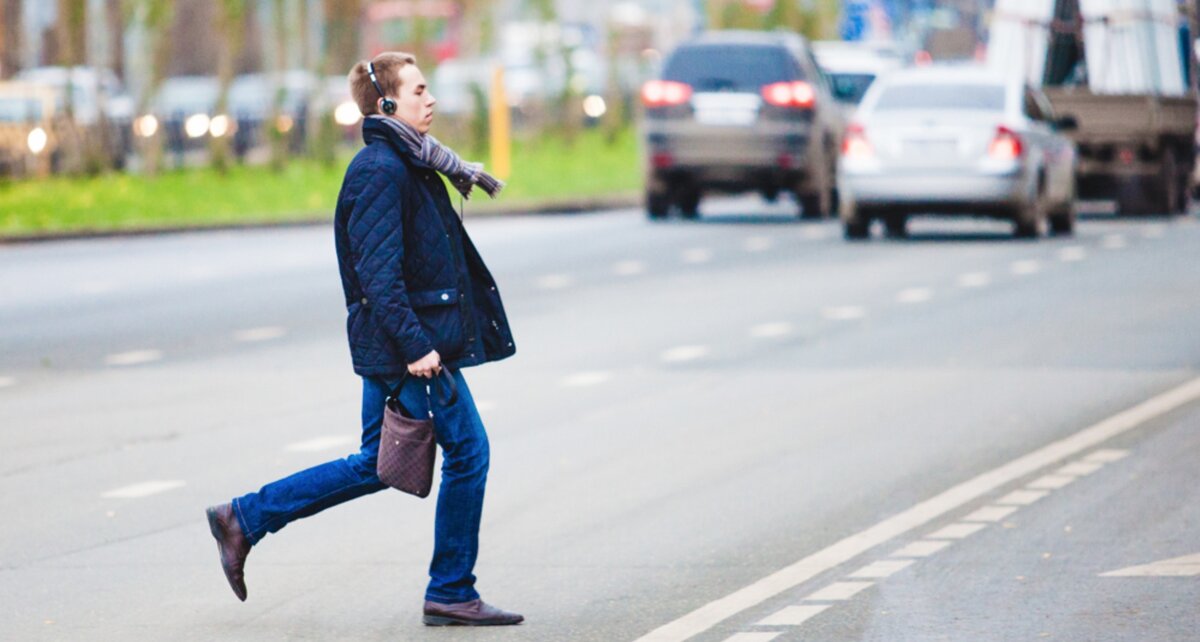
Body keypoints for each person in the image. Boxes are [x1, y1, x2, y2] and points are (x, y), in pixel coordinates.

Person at [205, 51, 521, 627]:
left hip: (406, 343)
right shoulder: (381, 171)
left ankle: (244, 518)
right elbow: (378, 277)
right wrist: (417, 347)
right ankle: (451, 588)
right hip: (409, 348)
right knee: (469, 453)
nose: (431, 99)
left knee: (377, 464)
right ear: (388, 103)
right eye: (419, 91)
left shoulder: (411, 162)